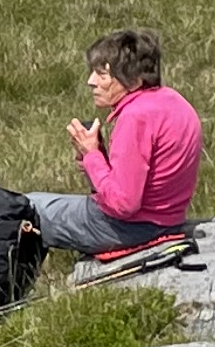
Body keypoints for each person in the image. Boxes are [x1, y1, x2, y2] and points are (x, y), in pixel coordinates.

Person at [30, 29, 202, 256]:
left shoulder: (136, 117)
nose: (91, 81)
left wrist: (92, 156)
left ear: (134, 79)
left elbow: (123, 204)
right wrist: (94, 155)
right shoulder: (173, 100)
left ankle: (6, 283)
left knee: (20, 208)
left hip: (134, 228)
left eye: (103, 75)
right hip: (168, 219)